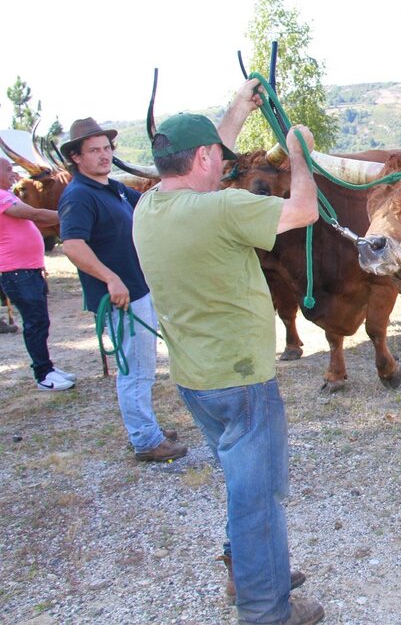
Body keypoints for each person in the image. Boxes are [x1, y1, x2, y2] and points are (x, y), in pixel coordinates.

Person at [133, 78, 323, 625]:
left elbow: (201, 157)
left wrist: (238, 110)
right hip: (242, 381)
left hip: (196, 380)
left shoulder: (149, 207)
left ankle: (251, 568)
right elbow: (303, 211)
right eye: (218, 157)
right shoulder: (223, 210)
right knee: (257, 498)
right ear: (202, 159)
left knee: (243, 483)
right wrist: (299, 156)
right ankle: (266, 610)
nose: (225, 163)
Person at [57, 118, 186, 462]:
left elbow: (148, 201)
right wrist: (110, 278)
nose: (104, 155)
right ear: (76, 157)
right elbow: (72, 244)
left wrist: (181, 177)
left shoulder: (110, 188)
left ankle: (147, 427)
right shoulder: (79, 195)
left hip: (138, 290)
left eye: (107, 148)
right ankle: (146, 440)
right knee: (136, 370)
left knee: (142, 365)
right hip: (120, 298)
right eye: (94, 150)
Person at [0, 157, 76, 389]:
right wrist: (72, 215)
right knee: (35, 322)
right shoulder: (2, 198)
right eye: (8, 169)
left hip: (27, 270)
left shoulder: (7, 195)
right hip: (17, 272)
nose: (14, 174)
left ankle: (47, 368)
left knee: (40, 320)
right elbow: (35, 215)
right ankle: (43, 375)